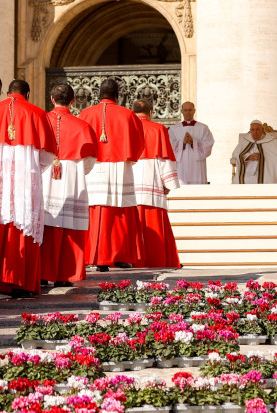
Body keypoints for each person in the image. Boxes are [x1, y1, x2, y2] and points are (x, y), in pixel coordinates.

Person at [0, 79, 56, 298]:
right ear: (27, 94)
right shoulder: (37, 113)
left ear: (6, 92)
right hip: (24, 183)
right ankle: (19, 284)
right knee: (23, 223)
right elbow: (47, 156)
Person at [78, 79, 145, 271]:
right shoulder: (128, 115)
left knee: (95, 210)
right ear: (117, 95)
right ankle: (120, 255)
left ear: (98, 94)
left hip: (92, 168)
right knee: (119, 212)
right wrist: (128, 159)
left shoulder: (85, 113)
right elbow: (139, 143)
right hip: (119, 168)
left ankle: (93, 255)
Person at [41, 83, 98, 286]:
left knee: (45, 224)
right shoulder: (82, 126)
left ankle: (42, 273)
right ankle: (66, 275)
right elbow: (90, 159)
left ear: (52, 99)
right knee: (69, 226)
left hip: (45, 173)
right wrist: (77, 170)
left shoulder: (40, 120)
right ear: (73, 101)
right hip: (71, 176)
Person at [131, 99, 182, 269]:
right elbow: (164, 158)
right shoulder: (158, 129)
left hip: (128, 187)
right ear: (151, 113)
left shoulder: (126, 129)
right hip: (151, 184)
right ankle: (157, 261)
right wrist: (168, 183)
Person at [167, 102, 214, 185]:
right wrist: (182, 143)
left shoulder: (203, 128)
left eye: (190, 110)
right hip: (181, 164)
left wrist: (193, 142)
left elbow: (209, 143)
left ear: (194, 111)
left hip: (197, 164)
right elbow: (169, 145)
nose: (188, 112)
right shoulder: (174, 129)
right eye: (185, 110)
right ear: (181, 111)